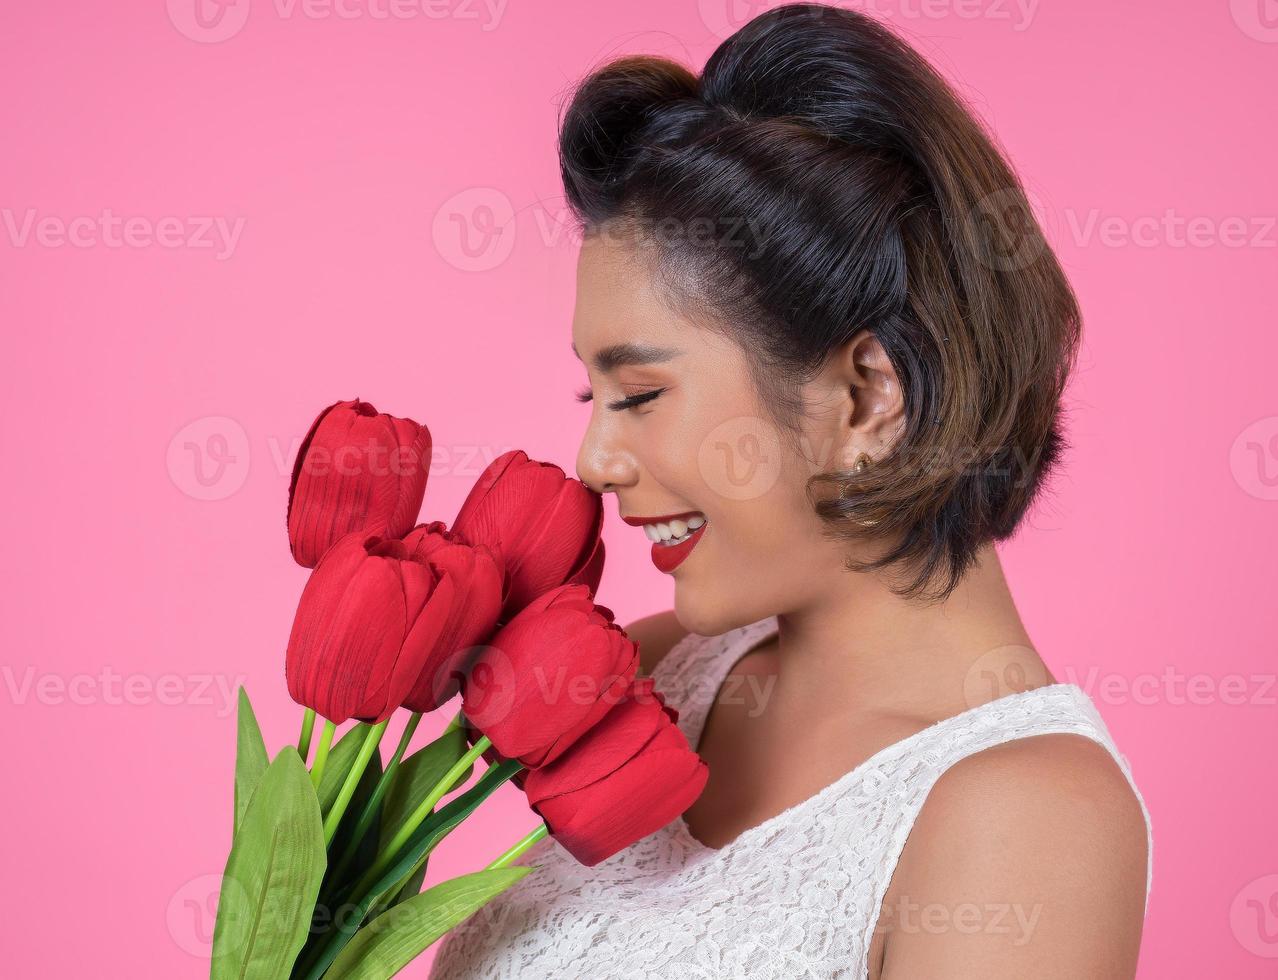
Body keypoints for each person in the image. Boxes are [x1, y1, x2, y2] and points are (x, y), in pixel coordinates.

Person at [430, 5, 1152, 977]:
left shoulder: (1029, 817)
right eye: (591, 393)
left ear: (865, 397)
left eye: (641, 392)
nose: (596, 458)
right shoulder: (633, 677)